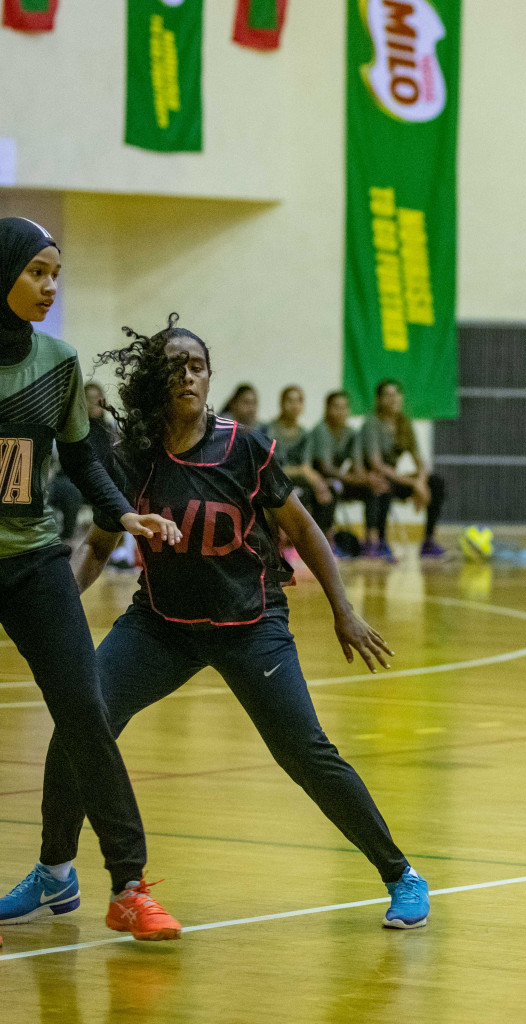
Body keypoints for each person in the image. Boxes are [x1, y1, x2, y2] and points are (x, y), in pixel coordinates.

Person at [2, 314, 432, 930]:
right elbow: (98, 547)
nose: (188, 377)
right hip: (160, 625)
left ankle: (402, 874)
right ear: (155, 379)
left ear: (210, 379)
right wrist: (55, 611)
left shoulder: (246, 447)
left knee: (306, 752)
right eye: (175, 366)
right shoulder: (132, 458)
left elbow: (303, 528)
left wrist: (345, 610)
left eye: (198, 366)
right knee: (81, 721)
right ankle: (54, 874)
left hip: (250, 623)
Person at [0, 217, 184, 943]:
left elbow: (82, 460)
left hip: (34, 562)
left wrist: (125, 515)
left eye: (56, 273)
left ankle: (130, 887)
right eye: (37, 272)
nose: (50, 286)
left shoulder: (60, 361)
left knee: (87, 712)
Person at [358, 379, 445, 561]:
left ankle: (428, 540)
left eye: (396, 394)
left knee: (435, 482)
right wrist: (413, 482)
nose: (393, 399)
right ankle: (379, 541)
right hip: (377, 478)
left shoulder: (404, 423)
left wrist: (420, 482)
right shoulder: (372, 424)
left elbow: (419, 460)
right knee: (382, 484)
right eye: (388, 395)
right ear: (379, 399)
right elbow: (377, 465)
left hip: (396, 478)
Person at [305, 390, 384, 544]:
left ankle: (373, 539)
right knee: (332, 488)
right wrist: (354, 478)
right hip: (318, 482)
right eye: (337, 407)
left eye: (345, 407)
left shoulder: (352, 434)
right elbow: (325, 468)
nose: (341, 412)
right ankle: (325, 540)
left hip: (340, 480)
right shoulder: (320, 430)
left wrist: (367, 479)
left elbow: (357, 465)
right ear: (327, 409)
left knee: (372, 488)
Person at [47, 381, 120, 541]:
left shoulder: (112, 430)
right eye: (90, 398)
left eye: (98, 398)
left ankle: (120, 548)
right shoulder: (72, 428)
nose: (95, 402)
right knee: (69, 491)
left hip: (103, 481)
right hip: (72, 481)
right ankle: (67, 538)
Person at [263, 385, 331, 531]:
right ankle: (288, 541)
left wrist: (319, 482)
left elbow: (306, 466)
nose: (294, 406)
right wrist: (304, 472)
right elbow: (272, 467)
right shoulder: (269, 430)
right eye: (290, 401)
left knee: (327, 490)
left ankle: (323, 539)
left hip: (298, 480)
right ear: (281, 403)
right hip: (273, 480)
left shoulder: (305, 434)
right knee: (298, 493)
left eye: (298, 401)